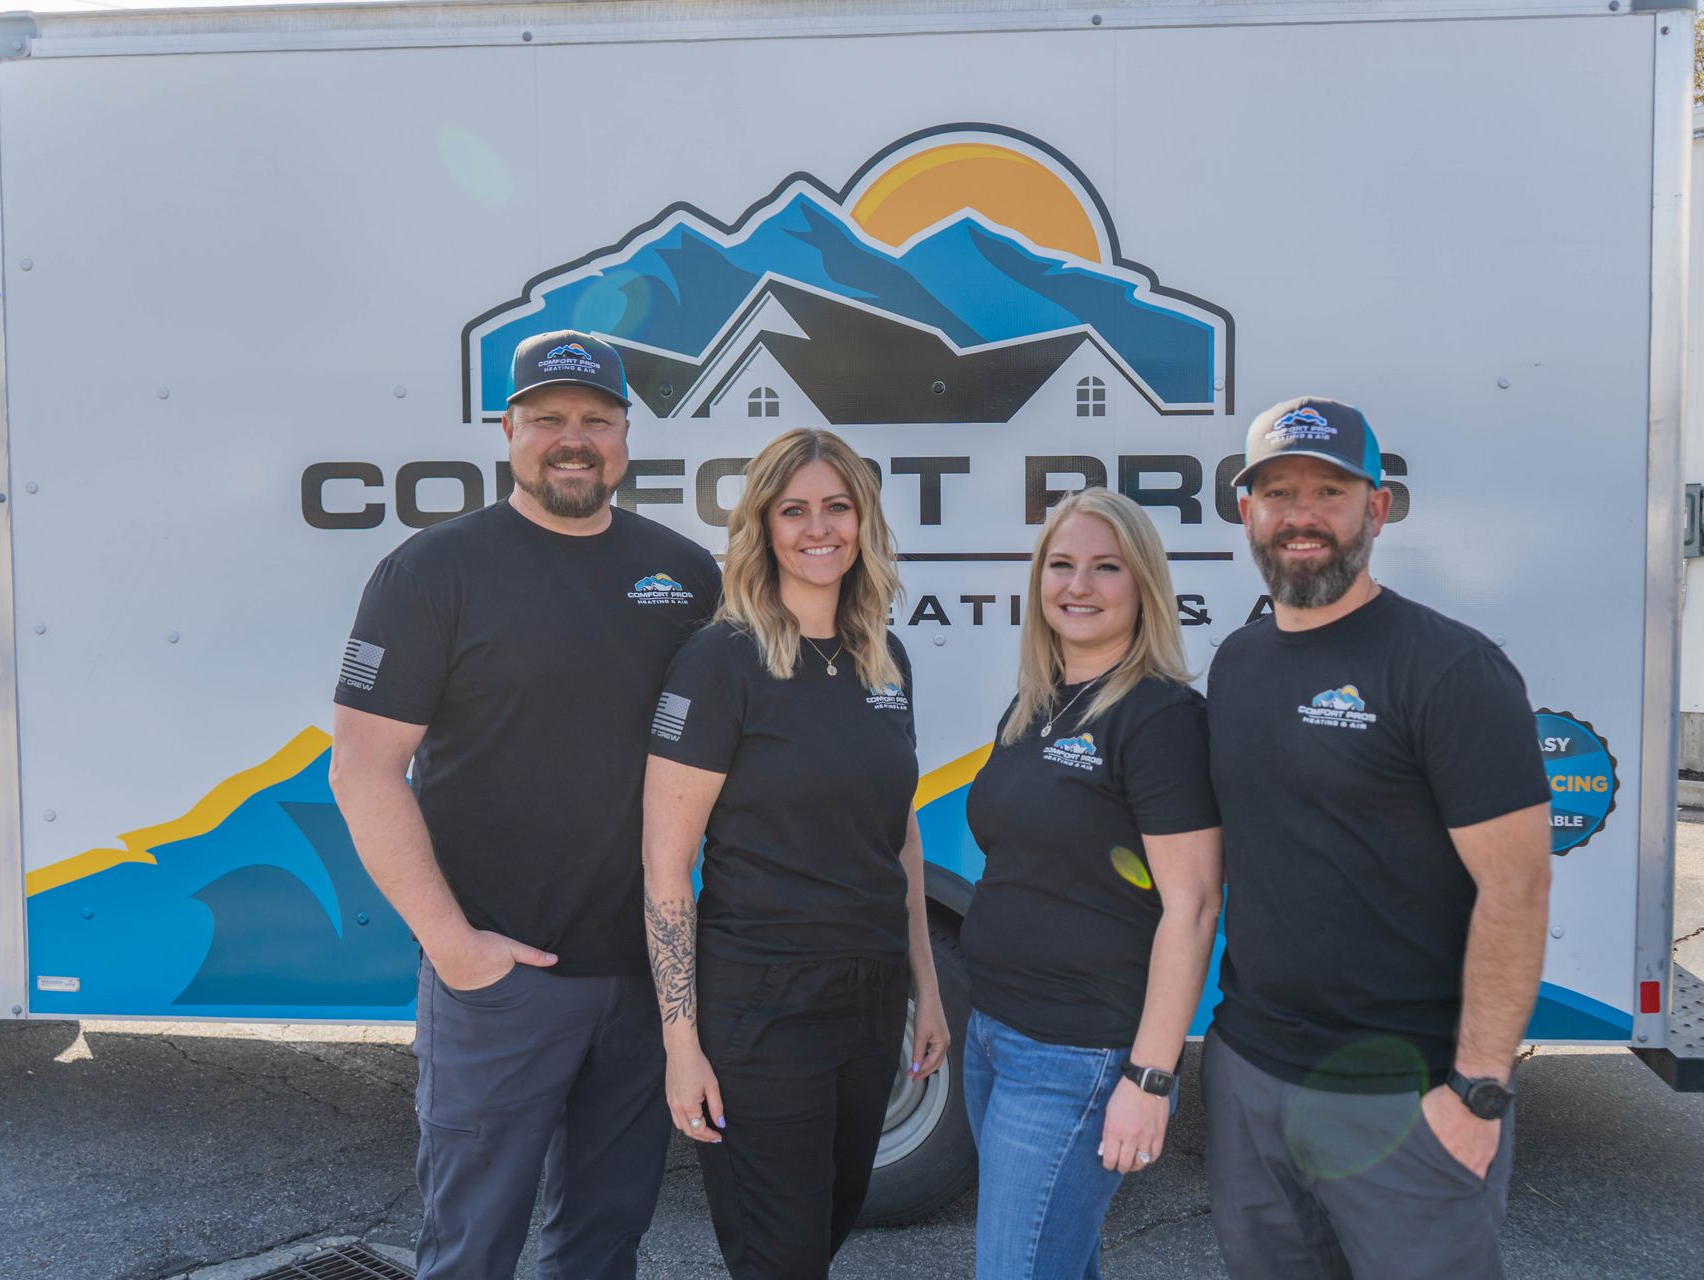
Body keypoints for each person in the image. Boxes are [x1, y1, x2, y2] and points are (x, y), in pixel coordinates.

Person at [330, 330, 719, 1278]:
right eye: (548, 419)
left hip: (640, 985)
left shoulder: (687, 577)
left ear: (627, 435)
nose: (572, 439)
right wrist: (455, 948)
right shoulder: (433, 571)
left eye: (595, 419)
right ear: (508, 430)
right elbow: (363, 770)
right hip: (498, 983)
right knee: (470, 1250)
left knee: (602, 1245)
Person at [1202, 396, 1552, 1279]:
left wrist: (1478, 1091)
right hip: (1251, 1076)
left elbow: (1517, 888)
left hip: (1405, 1096)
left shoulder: (1449, 668)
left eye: (1330, 489)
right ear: (1247, 512)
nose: (1302, 515)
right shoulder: (1237, 663)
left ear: (1377, 508)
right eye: (1277, 492)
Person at [640, 426, 951, 1279]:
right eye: (795, 510)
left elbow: (902, 833)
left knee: (832, 1220)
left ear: (864, 521)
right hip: (760, 1008)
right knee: (779, 1255)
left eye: (837, 507)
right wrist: (680, 1043)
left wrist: (925, 989)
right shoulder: (720, 662)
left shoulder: (887, 661)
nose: (819, 529)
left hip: (868, 996)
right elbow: (667, 865)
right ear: (764, 527)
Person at [960, 487, 1224, 1279]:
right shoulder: (1036, 704)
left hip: (1077, 1055)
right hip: (994, 1034)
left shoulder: (1160, 718)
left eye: (1105, 567)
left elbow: (1195, 902)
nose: (1078, 586)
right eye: (1062, 565)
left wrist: (1151, 1076)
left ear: (1143, 585)